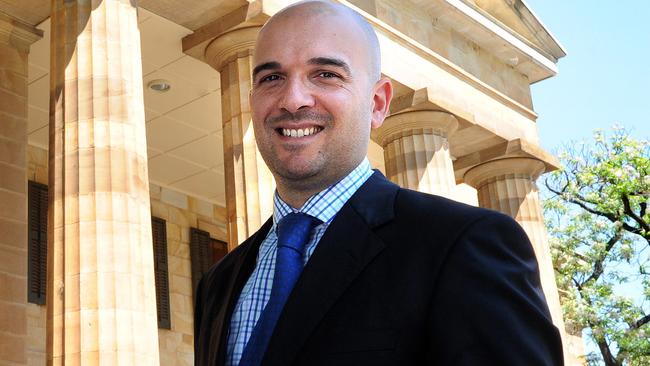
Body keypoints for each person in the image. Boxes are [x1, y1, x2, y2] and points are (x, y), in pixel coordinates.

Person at [194, 1, 564, 365]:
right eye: (271, 78)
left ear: (377, 103)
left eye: (326, 74)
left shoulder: (462, 244)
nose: (293, 99)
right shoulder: (218, 283)